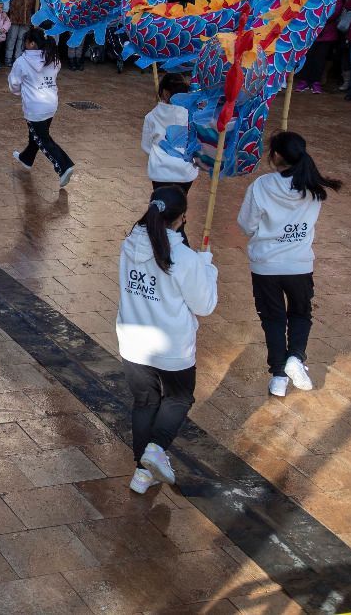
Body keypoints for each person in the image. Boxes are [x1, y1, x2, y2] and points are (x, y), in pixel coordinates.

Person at [115, 186, 217, 494]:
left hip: (133, 343)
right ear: (183, 218)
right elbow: (205, 306)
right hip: (172, 349)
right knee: (178, 398)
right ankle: (156, 449)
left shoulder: (129, 244)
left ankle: (141, 474)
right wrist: (207, 268)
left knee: (145, 401)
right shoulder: (185, 258)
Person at [236, 131, 341, 397]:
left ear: (277, 156)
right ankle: (295, 356)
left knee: (272, 319)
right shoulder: (314, 188)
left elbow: (246, 225)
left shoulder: (261, 185)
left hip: (265, 266)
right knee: (300, 314)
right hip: (299, 265)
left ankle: (279, 376)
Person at [9, 32, 76, 187]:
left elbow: (14, 85)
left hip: (35, 106)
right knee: (37, 135)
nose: (24, 43)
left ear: (32, 44)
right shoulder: (53, 58)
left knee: (43, 139)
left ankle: (64, 166)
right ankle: (26, 158)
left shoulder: (21, 62)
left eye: (26, 41)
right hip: (51, 103)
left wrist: (22, 91)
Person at [142, 72, 196, 194]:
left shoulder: (151, 117)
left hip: (159, 172)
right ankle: (181, 212)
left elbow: (146, 147)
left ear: (165, 93)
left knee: (161, 201)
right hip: (186, 172)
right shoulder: (192, 116)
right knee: (180, 202)